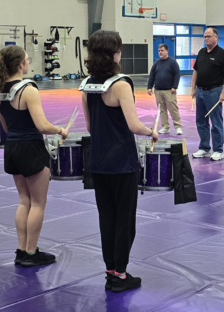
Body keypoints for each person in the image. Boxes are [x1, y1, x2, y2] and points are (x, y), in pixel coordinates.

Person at [81, 30, 157, 292]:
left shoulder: (87, 85)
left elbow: (90, 126)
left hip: (98, 162)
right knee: (125, 220)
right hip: (122, 162)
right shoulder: (121, 84)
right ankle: (121, 274)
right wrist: (152, 131)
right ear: (114, 53)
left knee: (107, 218)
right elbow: (134, 126)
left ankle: (110, 270)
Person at [0, 45, 68, 266]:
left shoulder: (0, 90)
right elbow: (42, 126)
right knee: (38, 204)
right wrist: (60, 130)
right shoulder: (28, 89)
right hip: (30, 147)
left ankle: (22, 249)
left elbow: (4, 126)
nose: (28, 63)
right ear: (21, 64)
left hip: (12, 147)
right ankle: (31, 252)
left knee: (24, 201)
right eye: (27, 59)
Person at [191, 27, 224, 161]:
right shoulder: (201, 52)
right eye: (204, 37)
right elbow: (196, 71)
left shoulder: (222, 54)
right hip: (200, 91)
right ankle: (204, 147)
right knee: (201, 121)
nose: (206, 39)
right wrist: (193, 89)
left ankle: (218, 150)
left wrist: (223, 92)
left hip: (214, 92)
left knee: (216, 122)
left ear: (216, 37)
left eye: (208, 36)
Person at [147, 43, 183, 135]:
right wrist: (149, 87)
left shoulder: (172, 62)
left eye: (162, 50)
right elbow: (152, 76)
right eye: (159, 50)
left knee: (173, 109)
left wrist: (174, 87)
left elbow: (177, 75)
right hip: (158, 90)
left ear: (167, 51)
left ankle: (178, 126)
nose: (160, 52)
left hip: (169, 91)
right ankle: (165, 127)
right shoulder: (156, 63)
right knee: (162, 110)